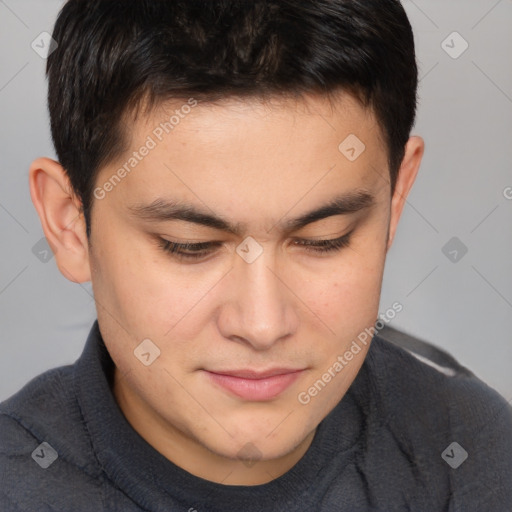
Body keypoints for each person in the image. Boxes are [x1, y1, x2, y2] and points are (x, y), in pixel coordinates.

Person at [1, 0, 511, 510]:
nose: (262, 325)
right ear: (70, 224)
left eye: (324, 238)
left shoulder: (474, 462)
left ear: (395, 203)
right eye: (190, 246)